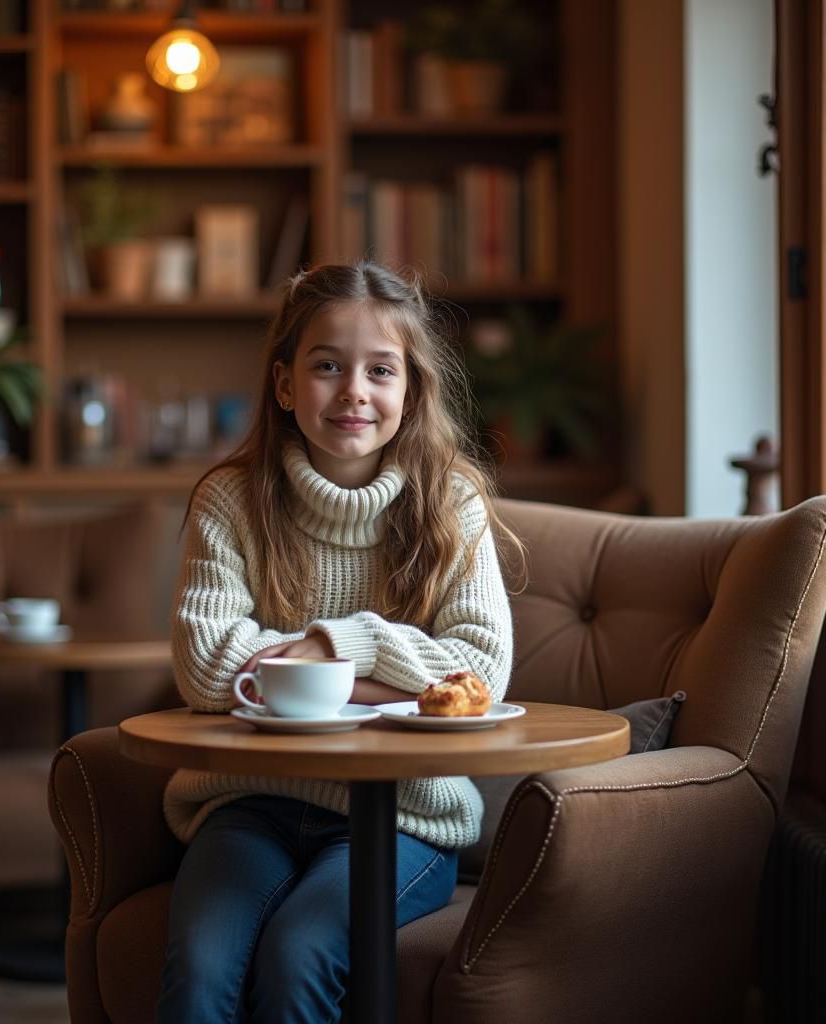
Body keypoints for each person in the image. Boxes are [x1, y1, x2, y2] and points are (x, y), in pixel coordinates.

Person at [157, 261, 521, 1024]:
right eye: (327, 366)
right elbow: (206, 665)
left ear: (410, 391)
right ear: (286, 384)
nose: (354, 390)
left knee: (301, 956)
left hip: (402, 815)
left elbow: (480, 668)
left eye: (380, 370)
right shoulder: (231, 498)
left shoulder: (451, 502)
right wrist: (390, 684)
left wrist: (329, 651)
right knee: (199, 967)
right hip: (249, 804)